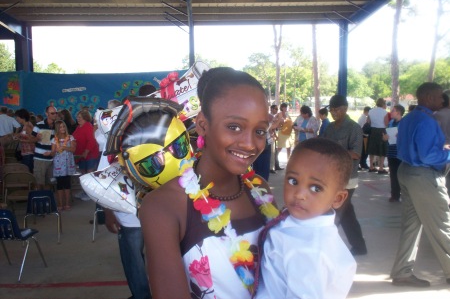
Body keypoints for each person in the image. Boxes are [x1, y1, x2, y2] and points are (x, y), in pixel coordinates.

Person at [140, 67, 279, 299]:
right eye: (234, 127)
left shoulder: (259, 188)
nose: (249, 144)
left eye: (260, 131)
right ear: (203, 124)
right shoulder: (162, 206)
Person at [255, 138, 356, 299]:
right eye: (293, 181)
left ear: (337, 198)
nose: (299, 194)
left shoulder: (309, 250)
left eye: (316, 188)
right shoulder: (296, 223)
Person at [390, 82, 450, 288]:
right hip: (423, 176)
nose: (443, 100)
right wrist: (448, 153)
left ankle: (402, 272)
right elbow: (428, 155)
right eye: (439, 96)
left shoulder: (409, 119)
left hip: (406, 171)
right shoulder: (426, 121)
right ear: (428, 98)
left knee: (411, 226)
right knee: (442, 224)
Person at [102, 94, 152, 299]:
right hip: (128, 217)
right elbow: (104, 179)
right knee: (134, 262)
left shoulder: (158, 137)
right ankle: (142, 296)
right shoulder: (113, 142)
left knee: (160, 259)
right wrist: (108, 213)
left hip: (156, 215)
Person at [322, 94, 367, 256]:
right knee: (347, 213)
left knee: (336, 213)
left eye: (337, 109)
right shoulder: (329, 128)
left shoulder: (354, 128)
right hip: (332, 176)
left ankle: (322, 247)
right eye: (332, 110)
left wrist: (335, 153)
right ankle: (359, 246)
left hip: (348, 178)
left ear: (345, 109)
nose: (334, 113)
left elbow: (356, 153)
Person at [51, 120, 77, 211]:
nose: (62, 129)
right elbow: (53, 152)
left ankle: (67, 203)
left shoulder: (70, 137)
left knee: (67, 184)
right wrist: (51, 153)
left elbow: (73, 149)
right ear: (57, 129)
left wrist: (64, 147)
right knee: (59, 184)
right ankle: (60, 203)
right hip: (58, 165)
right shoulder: (54, 139)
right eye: (60, 127)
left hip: (67, 164)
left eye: (63, 126)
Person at [31, 105, 58, 190]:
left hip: (53, 158)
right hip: (40, 159)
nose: (55, 115)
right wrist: (37, 138)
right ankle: (40, 200)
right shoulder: (38, 125)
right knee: (39, 183)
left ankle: (48, 200)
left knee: (50, 183)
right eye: (52, 113)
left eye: (56, 113)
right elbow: (31, 139)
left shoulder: (57, 126)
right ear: (47, 114)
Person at [383, 105, 405, 202]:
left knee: (402, 174)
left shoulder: (404, 123)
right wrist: (385, 138)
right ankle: (394, 194)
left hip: (400, 152)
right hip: (391, 151)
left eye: (393, 111)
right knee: (393, 174)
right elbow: (386, 136)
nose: (391, 112)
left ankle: (404, 194)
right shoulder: (391, 123)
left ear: (399, 112)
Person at [73, 109, 100, 174]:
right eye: (77, 117)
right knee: (83, 174)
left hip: (89, 155)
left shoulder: (88, 126)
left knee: (89, 174)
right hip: (81, 155)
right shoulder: (78, 127)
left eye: (80, 117)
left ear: (85, 118)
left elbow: (91, 140)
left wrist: (86, 152)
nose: (78, 119)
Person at [367, 98, 388, 174]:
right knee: (382, 149)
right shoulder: (384, 112)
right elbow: (386, 123)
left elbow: (368, 121)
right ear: (383, 104)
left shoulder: (371, 111)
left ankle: (371, 166)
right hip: (382, 131)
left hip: (373, 130)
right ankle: (381, 168)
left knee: (372, 149)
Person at [14, 108, 36, 172]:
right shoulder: (25, 126)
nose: (16, 119)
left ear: (22, 117)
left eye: (17, 117)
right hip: (26, 152)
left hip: (29, 153)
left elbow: (33, 139)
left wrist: (21, 140)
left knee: (27, 172)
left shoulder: (28, 126)